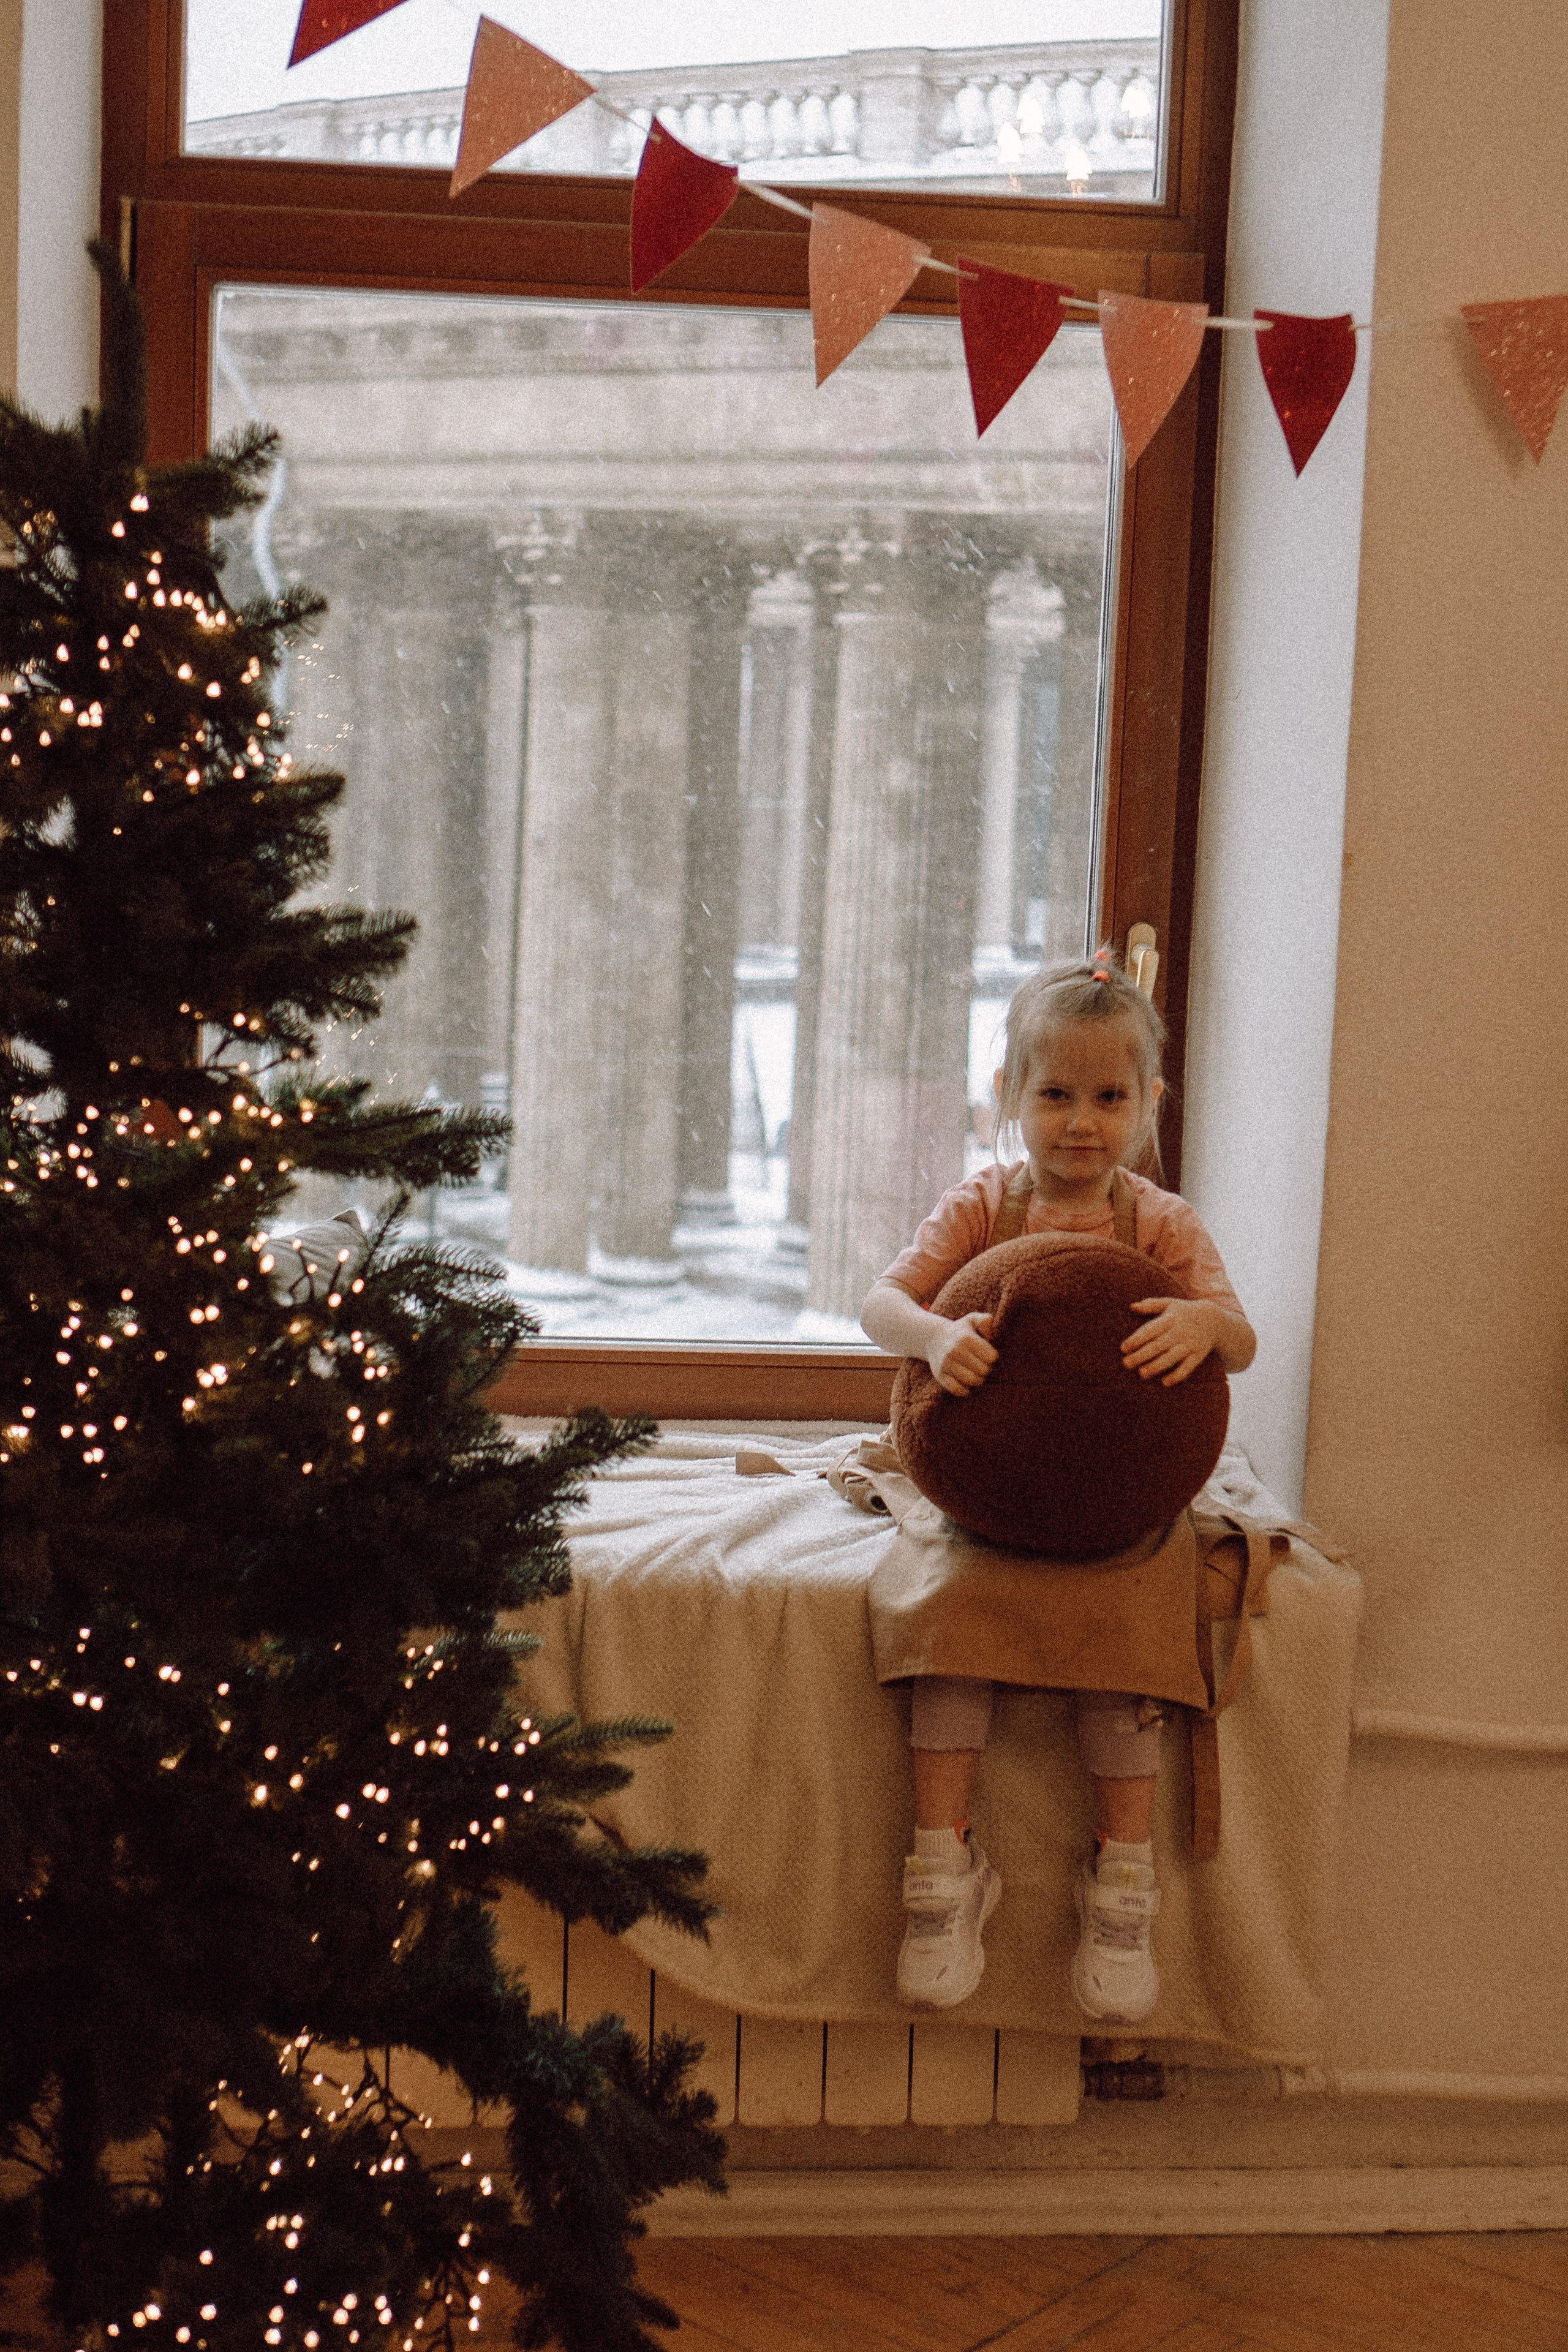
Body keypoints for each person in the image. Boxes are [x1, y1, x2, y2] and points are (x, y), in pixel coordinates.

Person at [859, 948, 1256, 2021]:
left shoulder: (1161, 1225)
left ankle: (1123, 1880)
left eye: (1110, 1097)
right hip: (985, 1503)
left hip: (1118, 1509)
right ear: (1009, 1098)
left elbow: (1243, 1338)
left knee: (1131, 1633)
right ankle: (942, 1870)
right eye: (1055, 1094)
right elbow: (881, 1307)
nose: (1082, 1122)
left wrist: (1201, 1323)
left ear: (1149, 1104)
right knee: (945, 1627)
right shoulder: (983, 1207)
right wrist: (938, 1338)